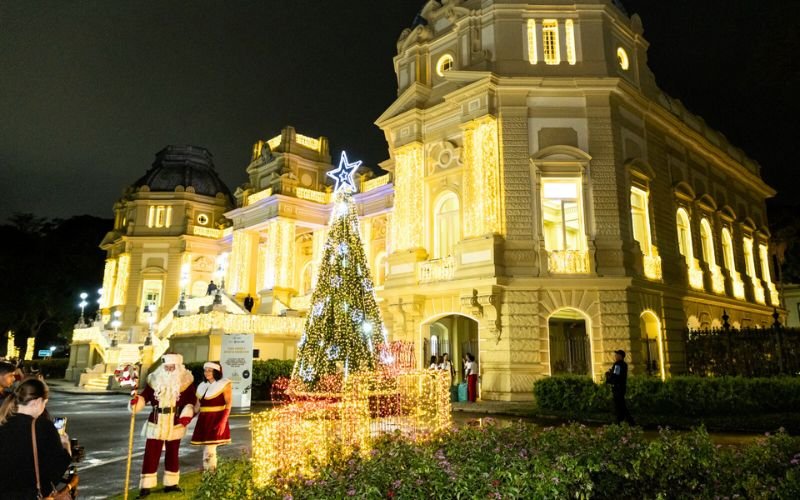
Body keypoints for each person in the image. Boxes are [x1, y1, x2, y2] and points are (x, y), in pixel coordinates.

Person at [129, 353, 197, 497]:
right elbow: (145, 396)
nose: (169, 369)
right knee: (151, 454)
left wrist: (188, 412)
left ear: (178, 366)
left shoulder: (186, 381)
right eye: (167, 366)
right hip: (156, 421)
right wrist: (137, 402)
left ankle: (171, 483)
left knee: (173, 453)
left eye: (172, 366)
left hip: (175, 422)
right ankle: (146, 486)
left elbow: (191, 401)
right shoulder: (154, 380)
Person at [0, 378, 72, 499]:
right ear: (37, 401)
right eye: (45, 403)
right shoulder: (43, 426)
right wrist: (66, 446)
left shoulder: (3, 422)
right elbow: (55, 474)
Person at [191, 362, 232, 471]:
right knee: (207, 448)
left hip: (216, 419)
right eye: (205, 370)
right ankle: (209, 473)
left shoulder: (224, 384)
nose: (207, 373)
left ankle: (210, 473)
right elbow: (197, 407)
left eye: (210, 370)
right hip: (203, 420)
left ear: (216, 372)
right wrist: (185, 418)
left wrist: (223, 422)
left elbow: (228, 403)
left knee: (210, 449)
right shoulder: (202, 385)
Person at [606, 349, 635, 425]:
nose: (615, 356)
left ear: (620, 356)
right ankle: (622, 421)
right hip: (621, 387)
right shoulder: (624, 364)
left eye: (617, 355)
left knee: (620, 405)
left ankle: (628, 422)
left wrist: (609, 376)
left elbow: (616, 375)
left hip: (617, 388)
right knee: (621, 405)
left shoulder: (618, 364)